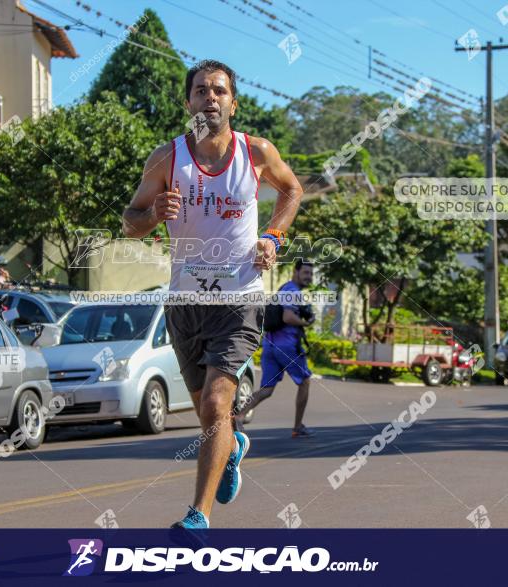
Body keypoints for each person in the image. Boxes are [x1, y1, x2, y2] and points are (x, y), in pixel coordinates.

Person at [122, 60, 303, 530]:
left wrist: (274, 238)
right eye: (201, 90)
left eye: (219, 91)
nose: (210, 98)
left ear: (233, 102)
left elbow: (292, 190)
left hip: (239, 298)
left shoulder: (256, 153)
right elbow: (131, 222)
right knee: (212, 417)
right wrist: (154, 213)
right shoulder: (166, 159)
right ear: (189, 103)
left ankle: (197, 518)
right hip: (184, 302)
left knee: (215, 406)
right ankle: (233, 446)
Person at [236, 259, 316, 438]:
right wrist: (305, 322)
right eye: (305, 272)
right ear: (295, 272)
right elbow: (288, 317)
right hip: (286, 345)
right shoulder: (293, 291)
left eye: (310, 273)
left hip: (270, 345)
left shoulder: (284, 288)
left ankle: (239, 416)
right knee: (304, 381)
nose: (308, 277)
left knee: (267, 389)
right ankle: (297, 427)